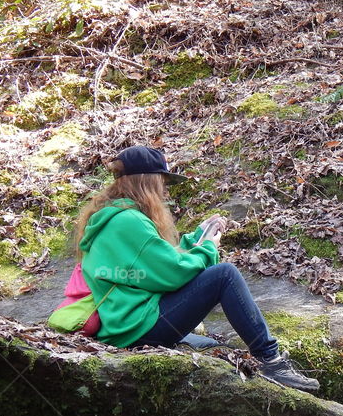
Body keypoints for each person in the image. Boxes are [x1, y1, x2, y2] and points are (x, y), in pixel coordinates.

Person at [74, 145, 320, 394]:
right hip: (137, 329)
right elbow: (173, 274)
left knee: (213, 317)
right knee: (225, 275)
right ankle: (270, 360)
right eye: (162, 182)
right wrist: (209, 249)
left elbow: (152, 264)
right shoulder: (130, 221)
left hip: (119, 326)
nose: (164, 190)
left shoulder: (111, 217)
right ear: (147, 182)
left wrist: (195, 240)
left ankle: (261, 357)